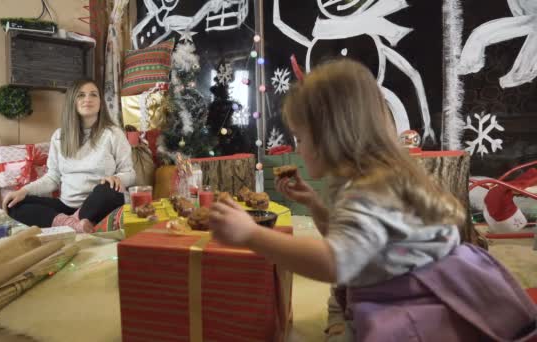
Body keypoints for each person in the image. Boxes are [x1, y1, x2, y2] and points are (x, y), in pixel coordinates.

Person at [208, 59, 536, 341]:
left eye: (301, 137)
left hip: (422, 310)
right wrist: (314, 204)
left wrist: (251, 235)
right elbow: (355, 241)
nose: (299, 147)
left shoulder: (370, 190)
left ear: (328, 137)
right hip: (431, 283)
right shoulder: (379, 177)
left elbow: (337, 261)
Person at [3, 79, 134, 233]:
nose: (88, 99)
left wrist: (118, 179)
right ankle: (74, 224)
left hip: (102, 202)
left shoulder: (113, 133)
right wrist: (23, 191)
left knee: (105, 190)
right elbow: (52, 178)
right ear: (72, 101)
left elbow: (130, 174)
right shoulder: (59, 136)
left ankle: (68, 224)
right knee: (14, 204)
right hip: (67, 206)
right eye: (81, 95)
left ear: (100, 102)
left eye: (94, 95)